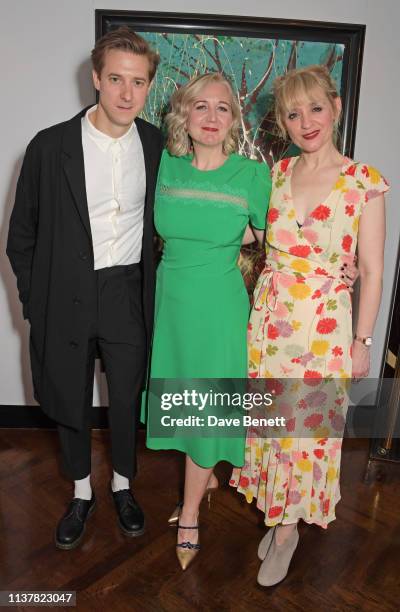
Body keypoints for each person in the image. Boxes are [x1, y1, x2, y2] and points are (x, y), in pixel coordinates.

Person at [231, 64, 389, 586]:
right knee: (273, 428)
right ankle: (280, 514)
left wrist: (363, 341)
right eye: (294, 114)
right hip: (270, 324)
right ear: (284, 121)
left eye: (315, 108)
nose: (306, 122)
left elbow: (370, 269)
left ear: (336, 108)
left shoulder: (363, 182)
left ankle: (286, 531)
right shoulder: (274, 176)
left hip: (324, 331)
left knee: (307, 436)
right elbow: (252, 235)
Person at [6, 28, 163, 549]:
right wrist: (37, 305)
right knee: (71, 398)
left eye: (137, 82)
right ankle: (81, 492)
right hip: (66, 295)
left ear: (148, 88)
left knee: (126, 398)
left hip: (127, 292)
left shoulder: (158, 145)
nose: (125, 93)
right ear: (96, 78)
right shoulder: (50, 146)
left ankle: (122, 485)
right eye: (115, 78)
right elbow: (20, 238)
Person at [142, 72, 271, 570]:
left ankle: (191, 511)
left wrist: (334, 267)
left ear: (234, 120)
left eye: (222, 108)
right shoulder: (166, 167)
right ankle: (207, 473)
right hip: (169, 302)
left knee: (205, 404)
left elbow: (273, 243)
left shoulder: (250, 176)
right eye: (201, 107)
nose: (212, 117)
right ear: (184, 116)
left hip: (218, 305)